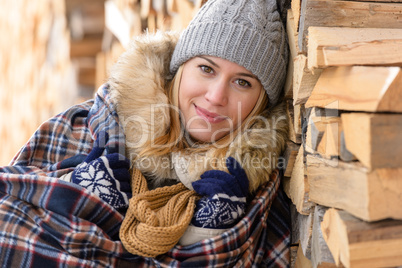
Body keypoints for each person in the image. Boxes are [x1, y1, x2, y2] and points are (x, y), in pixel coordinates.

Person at [0, 0, 291, 266]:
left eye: (242, 82)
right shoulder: (84, 126)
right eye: (206, 68)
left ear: (261, 101)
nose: (216, 96)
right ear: (179, 69)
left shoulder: (256, 188)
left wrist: (211, 234)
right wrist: (76, 192)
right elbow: (10, 217)